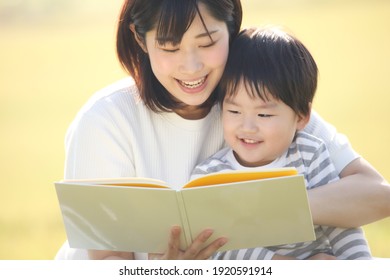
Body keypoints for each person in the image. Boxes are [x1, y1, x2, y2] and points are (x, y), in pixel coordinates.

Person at [55, 0, 390, 260]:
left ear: (231, 27)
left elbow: (375, 194)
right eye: (170, 48)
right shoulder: (106, 120)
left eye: (207, 41)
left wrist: (268, 207)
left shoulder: (257, 102)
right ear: (140, 40)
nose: (192, 66)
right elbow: (107, 262)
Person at [191, 26, 372, 260]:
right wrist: (287, 267)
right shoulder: (209, 175)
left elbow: (339, 223)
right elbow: (218, 249)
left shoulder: (309, 154)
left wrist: (360, 266)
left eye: (263, 115)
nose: (247, 127)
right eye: (234, 110)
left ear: (301, 116)